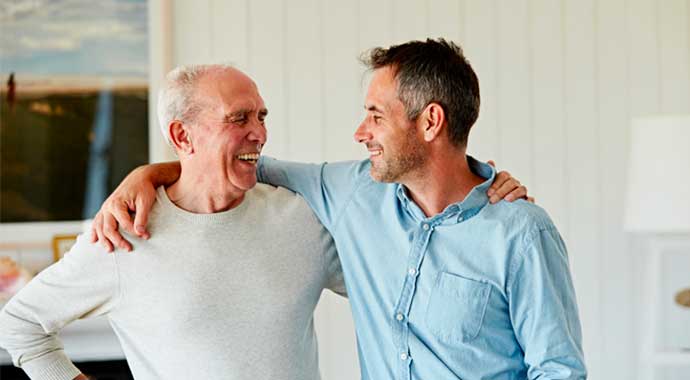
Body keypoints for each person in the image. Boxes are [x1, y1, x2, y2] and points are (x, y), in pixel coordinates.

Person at [95, 39, 585, 379]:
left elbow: (559, 370)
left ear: (430, 121)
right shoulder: (351, 193)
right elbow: (239, 165)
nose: (360, 132)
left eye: (376, 115)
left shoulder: (520, 230)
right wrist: (148, 174)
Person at [0, 64, 346, 380]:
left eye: (261, 116)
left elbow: (392, 292)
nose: (259, 133)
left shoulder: (302, 219)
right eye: (239, 118)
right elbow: (18, 323)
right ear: (182, 136)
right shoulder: (121, 236)